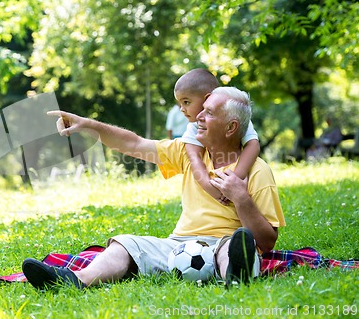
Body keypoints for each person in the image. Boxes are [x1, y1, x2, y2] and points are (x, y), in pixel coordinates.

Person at [22, 78, 285, 290]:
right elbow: (134, 144)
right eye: (201, 110)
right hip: (179, 245)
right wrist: (87, 124)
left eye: (209, 113)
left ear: (231, 128)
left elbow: (267, 240)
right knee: (125, 244)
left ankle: (236, 278)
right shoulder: (185, 151)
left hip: (223, 244)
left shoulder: (257, 171)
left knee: (234, 247)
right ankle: (74, 281)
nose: (198, 118)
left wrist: (242, 199)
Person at [175, 69, 260, 204]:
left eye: (186, 102)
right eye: (180, 103)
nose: (181, 109)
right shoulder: (193, 126)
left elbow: (253, 145)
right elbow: (194, 158)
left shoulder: (234, 116)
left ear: (207, 98)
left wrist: (234, 180)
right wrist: (210, 188)